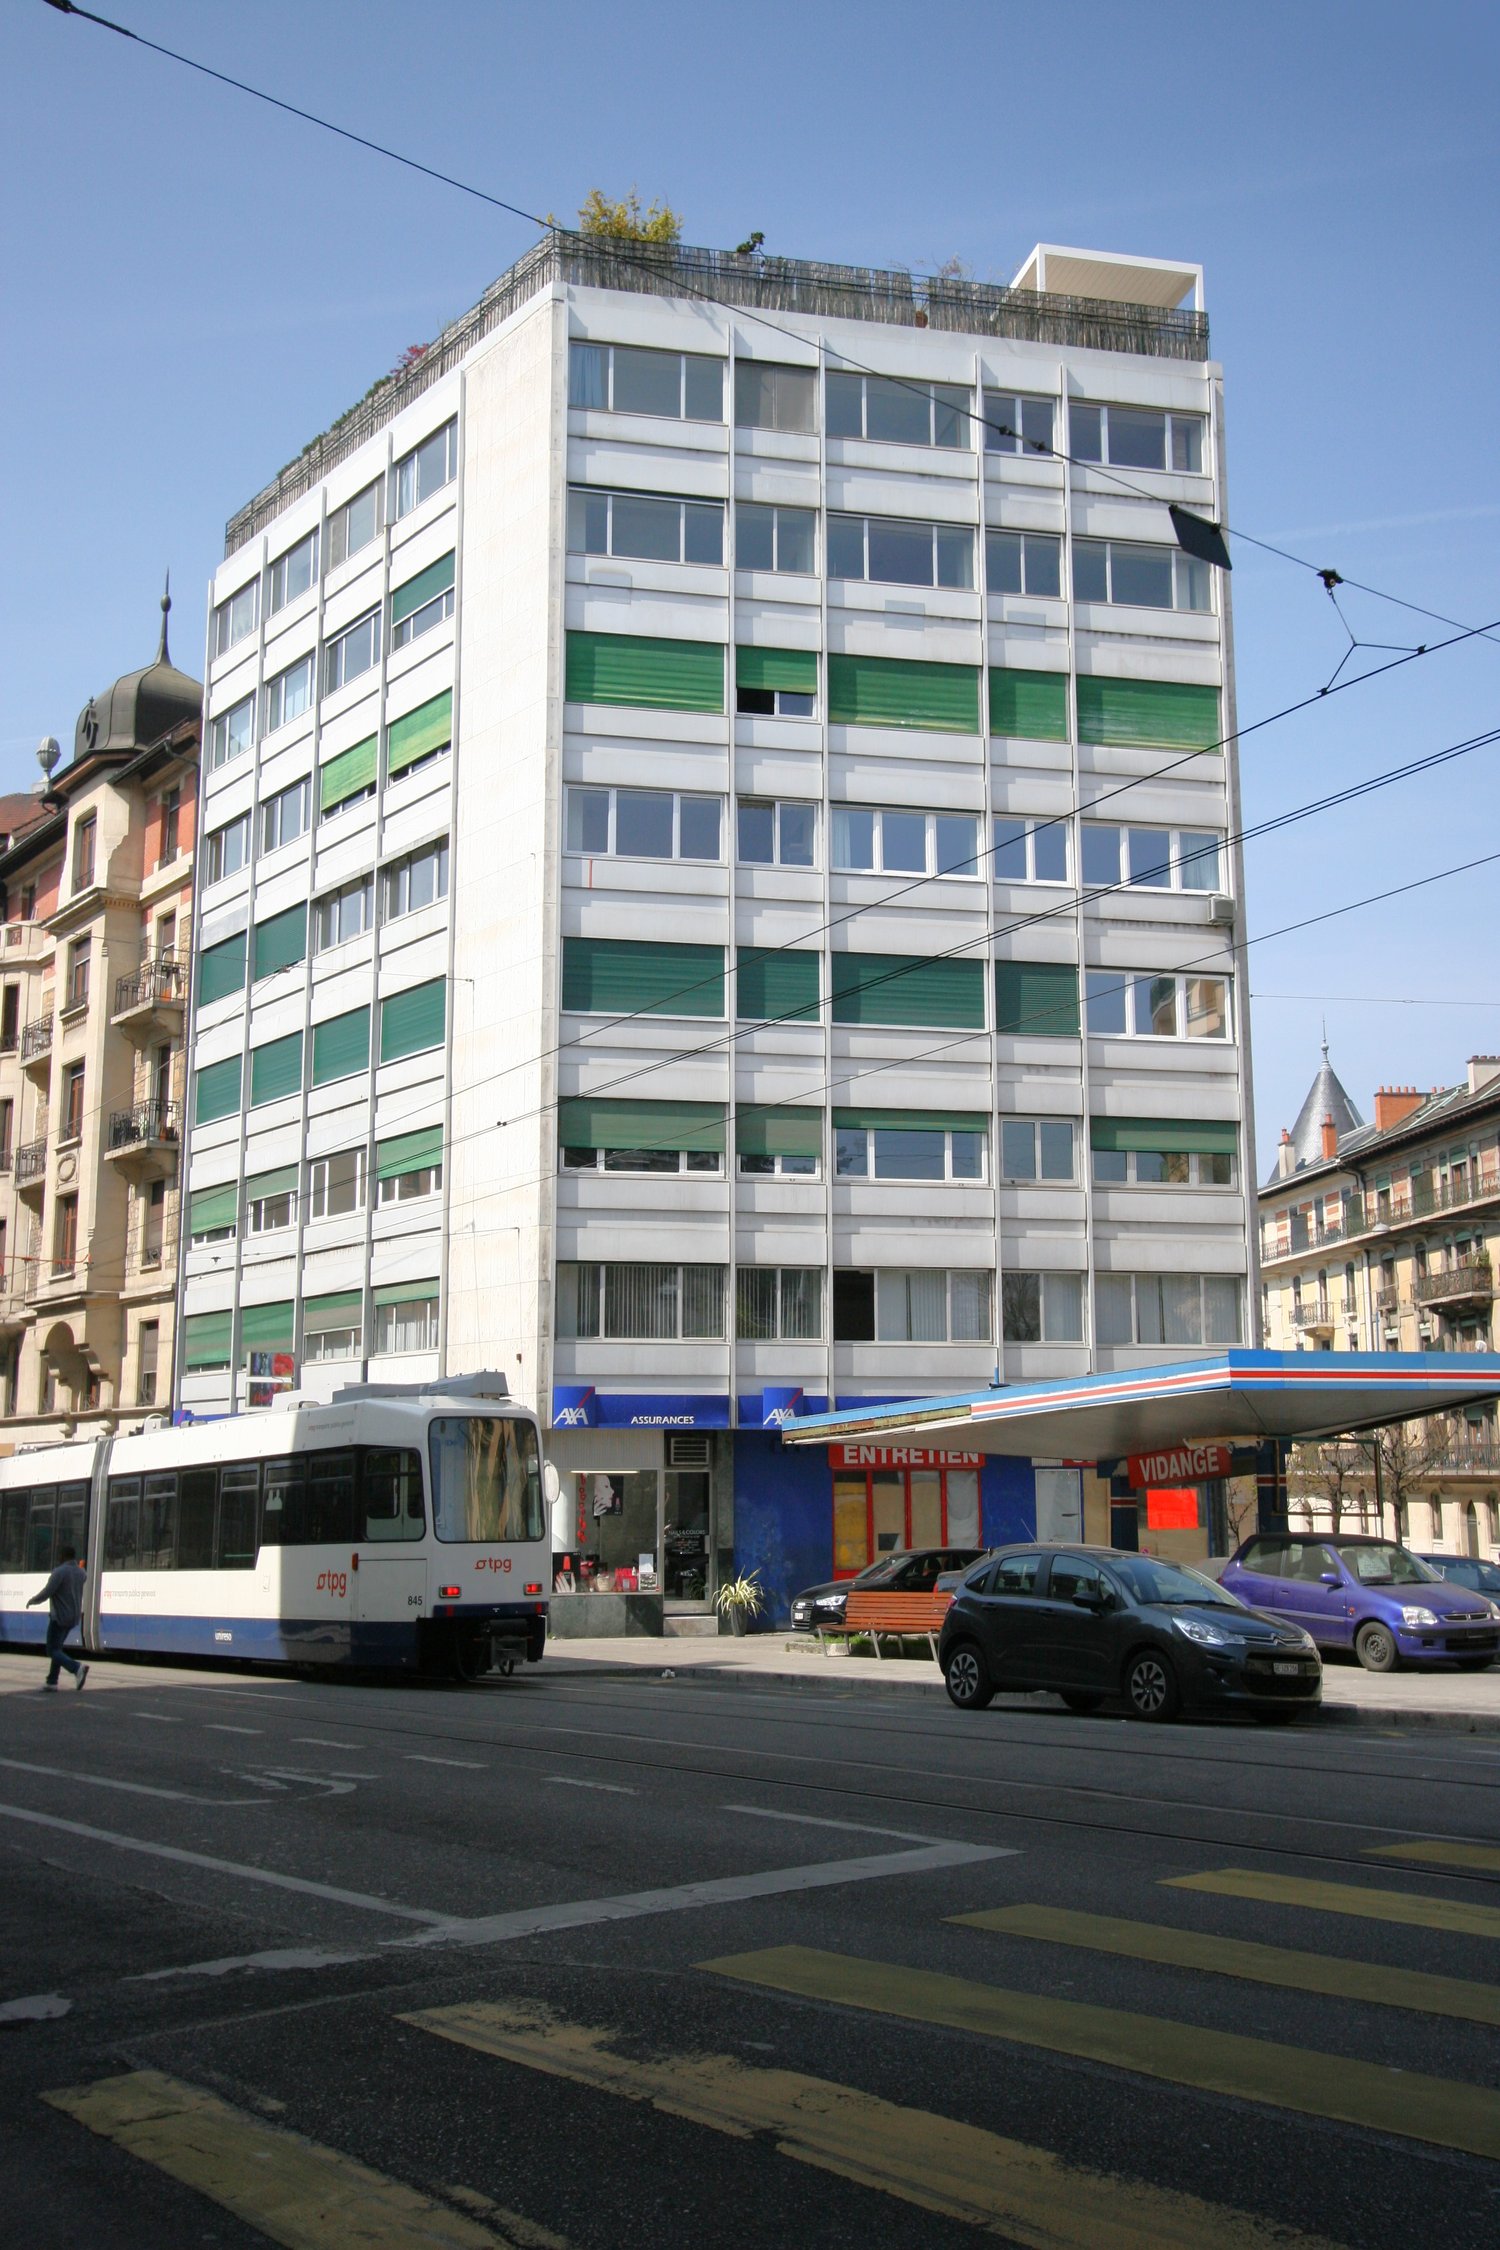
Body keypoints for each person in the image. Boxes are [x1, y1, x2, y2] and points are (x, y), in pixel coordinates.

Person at [26, 1544, 89, 1691]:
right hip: (73, 1617)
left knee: (51, 1650)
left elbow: (48, 1591)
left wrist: (33, 1600)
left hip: (59, 1617)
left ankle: (76, 1668)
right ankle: (52, 1682)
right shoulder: (81, 1573)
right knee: (57, 1648)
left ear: (63, 1556)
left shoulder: (60, 1572)